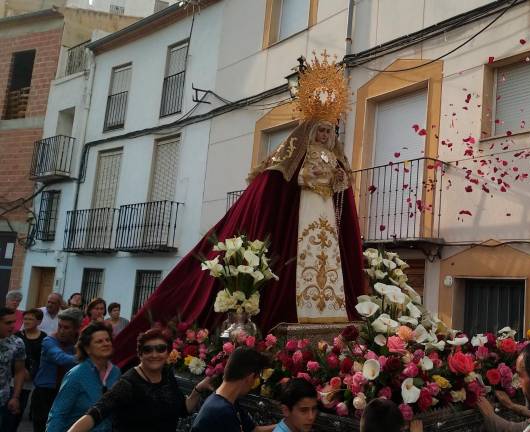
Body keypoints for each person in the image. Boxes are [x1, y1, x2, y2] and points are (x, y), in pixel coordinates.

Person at [111, 61, 366, 368]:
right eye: (321, 130)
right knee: (304, 260)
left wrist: (339, 180)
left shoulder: (335, 155)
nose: (326, 135)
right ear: (310, 131)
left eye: (329, 130)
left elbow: (342, 186)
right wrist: (312, 175)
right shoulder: (296, 152)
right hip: (305, 213)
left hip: (324, 214)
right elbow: (288, 180)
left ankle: (330, 313)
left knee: (327, 262)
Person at [67, 328, 212, 432]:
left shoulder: (167, 374)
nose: (154, 354)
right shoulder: (129, 382)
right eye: (148, 350)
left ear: (168, 352)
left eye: (161, 349)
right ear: (140, 354)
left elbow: (183, 409)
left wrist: (199, 388)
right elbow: (97, 412)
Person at [46, 322, 120, 432]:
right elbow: (58, 413)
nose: (106, 344)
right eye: (99, 341)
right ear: (87, 348)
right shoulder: (76, 374)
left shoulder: (116, 372)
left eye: (108, 340)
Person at [191, 347, 275, 432]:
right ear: (249, 378)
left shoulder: (227, 402)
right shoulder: (222, 412)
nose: (253, 385)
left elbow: (253, 430)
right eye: (256, 378)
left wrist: (284, 425)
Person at [30, 307, 81, 432]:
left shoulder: (78, 344)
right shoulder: (49, 341)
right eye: (60, 326)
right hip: (44, 393)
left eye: (66, 328)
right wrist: (85, 357)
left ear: (76, 329)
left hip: (66, 392)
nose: (62, 331)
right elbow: (60, 358)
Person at [8, 309, 47, 432]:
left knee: (20, 408)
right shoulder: (17, 336)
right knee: (9, 411)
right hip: (14, 377)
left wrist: (32, 373)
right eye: (25, 319)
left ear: (39, 321)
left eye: (31, 319)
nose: (27, 321)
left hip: (31, 379)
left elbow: (42, 358)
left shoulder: (44, 338)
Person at [0, 307, 26, 431]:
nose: (12, 326)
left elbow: (19, 371)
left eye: (13, 322)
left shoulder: (17, 343)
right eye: (7, 323)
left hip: (3, 399)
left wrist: (15, 397)